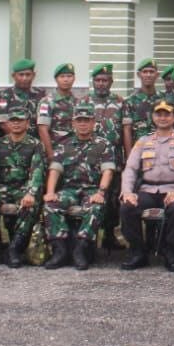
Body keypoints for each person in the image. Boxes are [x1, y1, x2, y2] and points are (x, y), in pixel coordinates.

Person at [121, 100, 174, 272]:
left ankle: (170, 252)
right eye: (159, 114)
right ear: (153, 117)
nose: (163, 118)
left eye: (167, 114)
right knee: (127, 208)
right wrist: (127, 192)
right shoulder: (143, 141)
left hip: (173, 189)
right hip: (147, 190)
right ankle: (138, 252)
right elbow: (130, 169)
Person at [42, 102, 116, 271]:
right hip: (69, 190)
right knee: (50, 205)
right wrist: (51, 192)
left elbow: (108, 171)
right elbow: (55, 170)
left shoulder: (103, 144)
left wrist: (101, 192)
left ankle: (80, 249)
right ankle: (59, 250)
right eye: (79, 120)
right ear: (73, 123)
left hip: (92, 189)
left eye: (87, 120)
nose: (83, 123)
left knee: (96, 207)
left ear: (93, 122)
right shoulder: (64, 145)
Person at [0, 107, 44, 268]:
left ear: (27, 123)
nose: (16, 124)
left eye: (20, 120)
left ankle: (14, 250)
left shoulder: (36, 145)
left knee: (30, 206)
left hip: (23, 189)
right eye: (13, 120)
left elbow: (37, 172)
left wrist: (31, 193)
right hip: (0, 189)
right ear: (7, 124)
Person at [89, 63, 128, 248]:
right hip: (90, 160)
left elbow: (126, 130)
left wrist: (128, 157)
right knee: (93, 195)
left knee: (113, 199)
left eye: (105, 80)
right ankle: (89, 236)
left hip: (115, 158)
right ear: (93, 82)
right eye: (98, 80)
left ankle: (109, 235)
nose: (101, 84)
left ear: (111, 82)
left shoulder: (120, 102)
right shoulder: (83, 102)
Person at [38, 62, 80, 162]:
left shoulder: (78, 102)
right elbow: (42, 129)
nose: (66, 80)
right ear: (56, 79)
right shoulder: (47, 101)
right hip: (55, 150)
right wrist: (50, 154)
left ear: (74, 78)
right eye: (62, 76)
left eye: (69, 76)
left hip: (74, 151)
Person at [0, 58, 46, 136]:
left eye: (28, 74)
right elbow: (3, 123)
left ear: (33, 75)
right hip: (13, 142)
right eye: (21, 75)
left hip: (36, 142)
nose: (24, 78)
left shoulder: (41, 94)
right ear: (13, 76)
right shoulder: (5, 95)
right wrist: (22, 141)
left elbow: (44, 122)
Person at [123, 58, 166, 144]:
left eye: (151, 72)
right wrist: (130, 156)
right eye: (145, 72)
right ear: (139, 75)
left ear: (157, 75)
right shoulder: (130, 101)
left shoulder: (165, 99)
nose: (148, 75)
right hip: (140, 151)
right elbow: (127, 130)